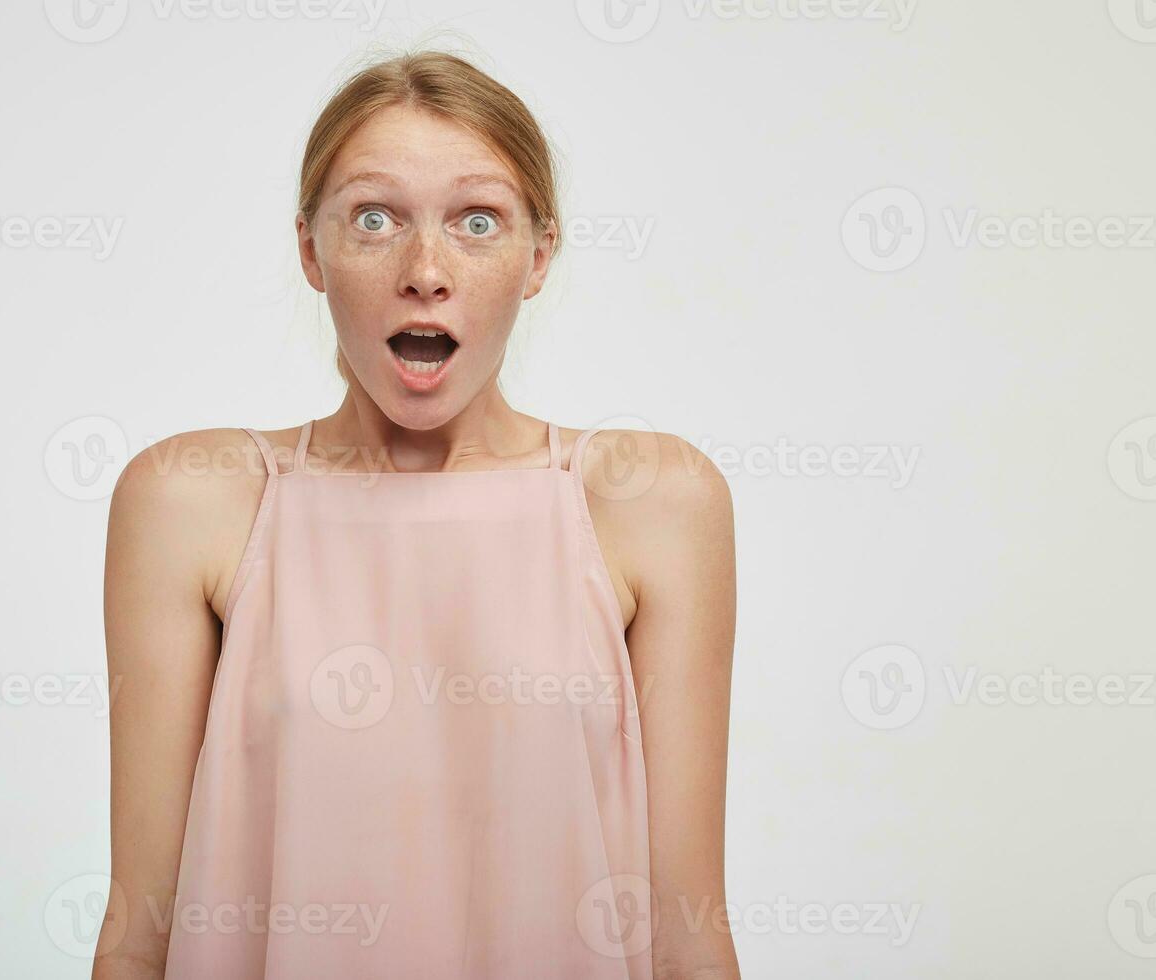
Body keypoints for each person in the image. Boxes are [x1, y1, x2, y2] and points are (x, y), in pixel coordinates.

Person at [95, 49, 739, 980]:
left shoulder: (656, 503)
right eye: (373, 218)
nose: (425, 270)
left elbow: (689, 933)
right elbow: (138, 931)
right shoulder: (191, 499)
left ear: (539, 256)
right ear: (311, 250)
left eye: (478, 222)